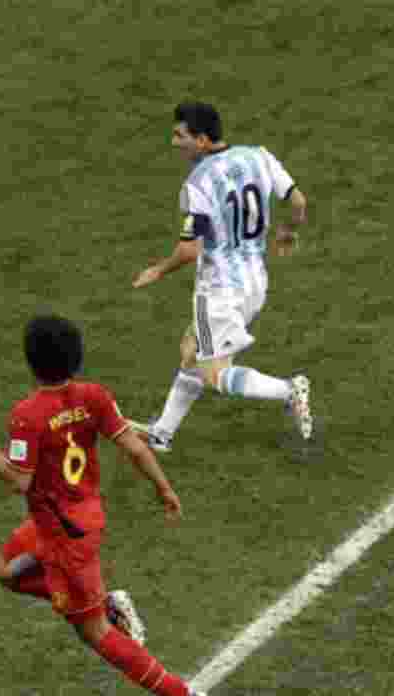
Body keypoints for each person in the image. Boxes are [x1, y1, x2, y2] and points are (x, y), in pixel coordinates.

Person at [0, 314, 209, 696]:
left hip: (64, 540)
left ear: (30, 362)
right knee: (5, 570)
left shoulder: (27, 416)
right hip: (72, 519)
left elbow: (18, 479)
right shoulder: (93, 396)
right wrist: (164, 488)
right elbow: (133, 444)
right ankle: (105, 601)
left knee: (94, 633)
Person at [131, 102, 312, 452]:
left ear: (200, 140)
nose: (174, 143)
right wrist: (287, 231)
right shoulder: (259, 156)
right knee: (191, 350)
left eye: (179, 136)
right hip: (255, 281)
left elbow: (189, 250)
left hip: (219, 289)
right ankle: (162, 434)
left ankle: (289, 389)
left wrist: (157, 270)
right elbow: (299, 202)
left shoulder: (197, 184)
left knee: (214, 372)